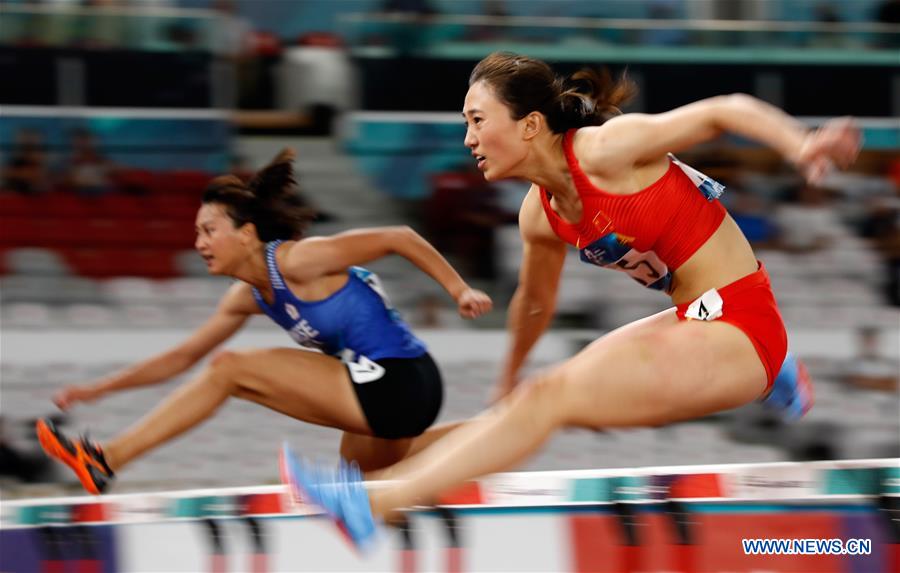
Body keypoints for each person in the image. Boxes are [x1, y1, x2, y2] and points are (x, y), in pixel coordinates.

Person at [280, 52, 860, 548]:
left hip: (739, 319)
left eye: (478, 120)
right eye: (466, 124)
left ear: (530, 125)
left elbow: (722, 111)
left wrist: (802, 143)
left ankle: (371, 508)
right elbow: (534, 301)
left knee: (550, 399)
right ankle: (370, 484)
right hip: (697, 317)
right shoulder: (540, 214)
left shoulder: (607, 151)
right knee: (527, 403)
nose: (469, 139)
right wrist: (506, 382)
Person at [35, 148, 492, 494]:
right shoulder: (246, 297)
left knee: (231, 368)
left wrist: (459, 290)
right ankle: (496, 428)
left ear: (247, 234)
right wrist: (99, 389)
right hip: (386, 395)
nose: (199, 243)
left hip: (401, 379)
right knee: (363, 487)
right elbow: (183, 357)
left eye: (209, 230)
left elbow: (398, 235)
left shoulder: (299, 261)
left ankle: (107, 459)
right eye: (196, 233)